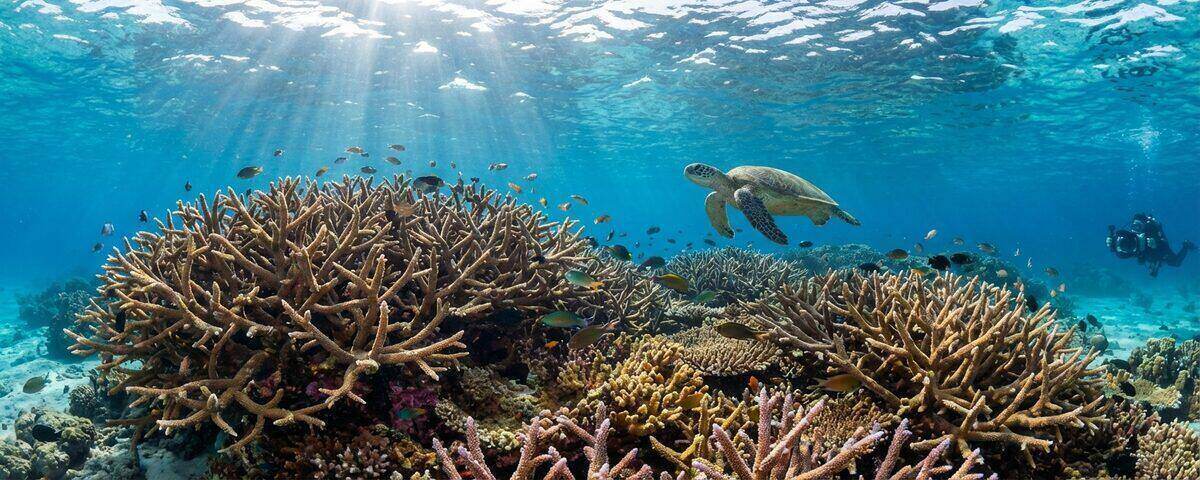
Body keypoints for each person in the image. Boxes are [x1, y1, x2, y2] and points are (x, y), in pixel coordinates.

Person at [1107, 213, 1195, 277]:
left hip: (1160, 247)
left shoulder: (1150, 229)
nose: (1135, 229)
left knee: (1176, 263)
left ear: (1143, 226)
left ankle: (1186, 245)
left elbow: (1159, 239)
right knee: (1145, 259)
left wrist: (1155, 244)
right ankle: (1155, 263)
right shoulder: (1129, 236)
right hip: (1145, 253)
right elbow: (1122, 254)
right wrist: (1114, 245)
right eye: (1133, 226)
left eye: (1138, 226)